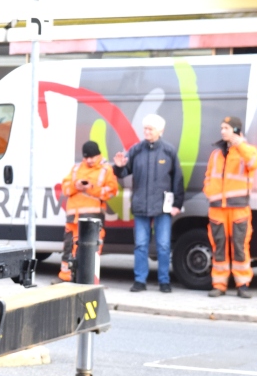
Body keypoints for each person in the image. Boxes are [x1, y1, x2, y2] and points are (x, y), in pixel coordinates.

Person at [113, 114, 184, 293]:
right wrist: (118, 166)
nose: (146, 131)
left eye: (150, 129)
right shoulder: (136, 150)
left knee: (163, 245)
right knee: (141, 245)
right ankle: (139, 281)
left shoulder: (169, 151)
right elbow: (123, 174)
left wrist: (177, 204)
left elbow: (178, 179)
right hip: (141, 206)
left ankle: (164, 281)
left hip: (162, 207)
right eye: (145, 128)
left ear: (160, 131)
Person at [203, 116, 257, 298]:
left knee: (240, 246)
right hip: (217, 209)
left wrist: (240, 144)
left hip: (238, 208)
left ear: (236, 131)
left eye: (226, 128)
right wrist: (209, 191)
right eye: (222, 127)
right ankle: (219, 284)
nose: (222, 131)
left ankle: (242, 284)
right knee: (218, 245)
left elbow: (254, 163)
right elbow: (208, 177)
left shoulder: (247, 151)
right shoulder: (216, 154)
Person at [58, 141, 119, 282]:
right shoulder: (76, 169)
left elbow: (112, 191)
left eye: (92, 157)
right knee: (69, 247)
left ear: (98, 155)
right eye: (87, 158)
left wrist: (90, 188)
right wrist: (76, 185)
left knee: (91, 249)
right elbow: (65, 188)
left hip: (93, 217)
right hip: (73, 217)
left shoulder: (105, 169)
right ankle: (65, 278)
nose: (90, 160)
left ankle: (89, 278)